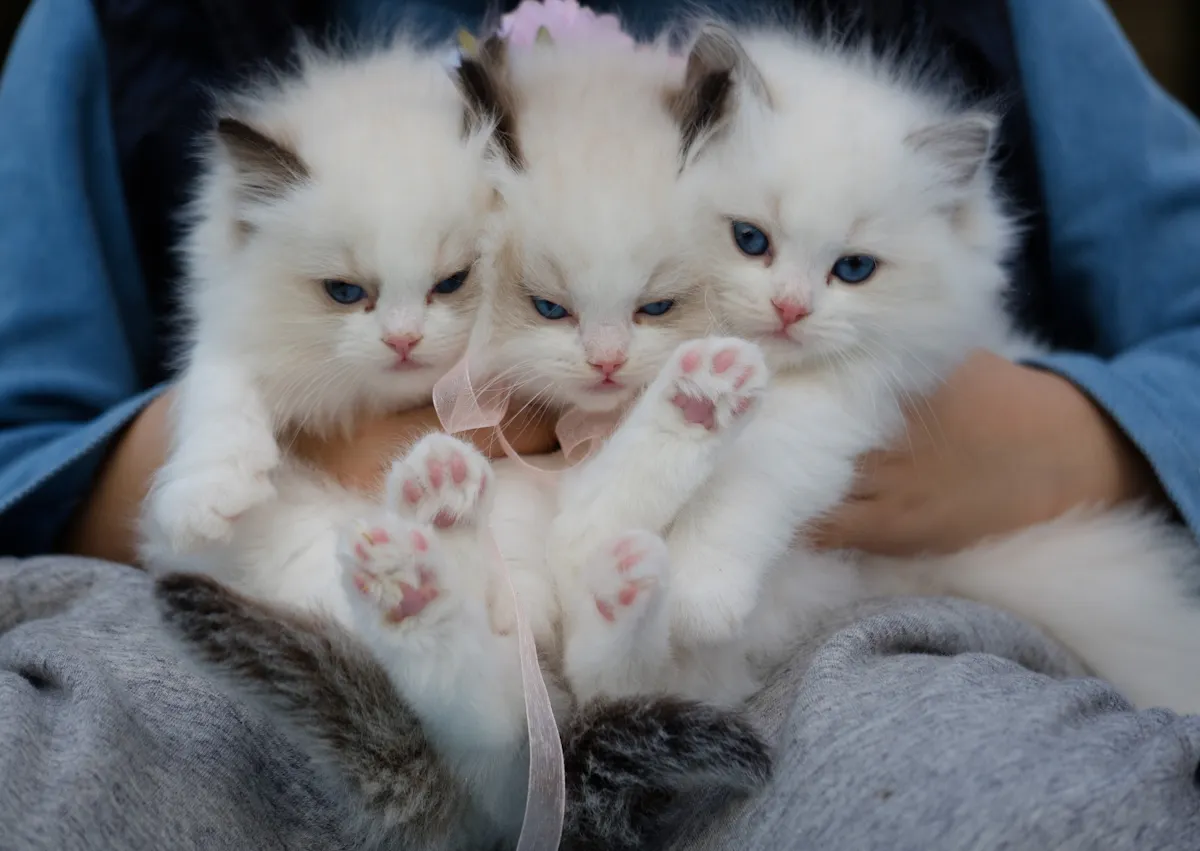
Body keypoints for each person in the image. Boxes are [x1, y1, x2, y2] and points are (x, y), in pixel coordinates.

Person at [1, 0, 1199, 848]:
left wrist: (1057, 439)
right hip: (286, 632)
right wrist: (282, 433)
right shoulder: (130, 22)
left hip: (836, 634)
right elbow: (25, 435)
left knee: (1042, 801)